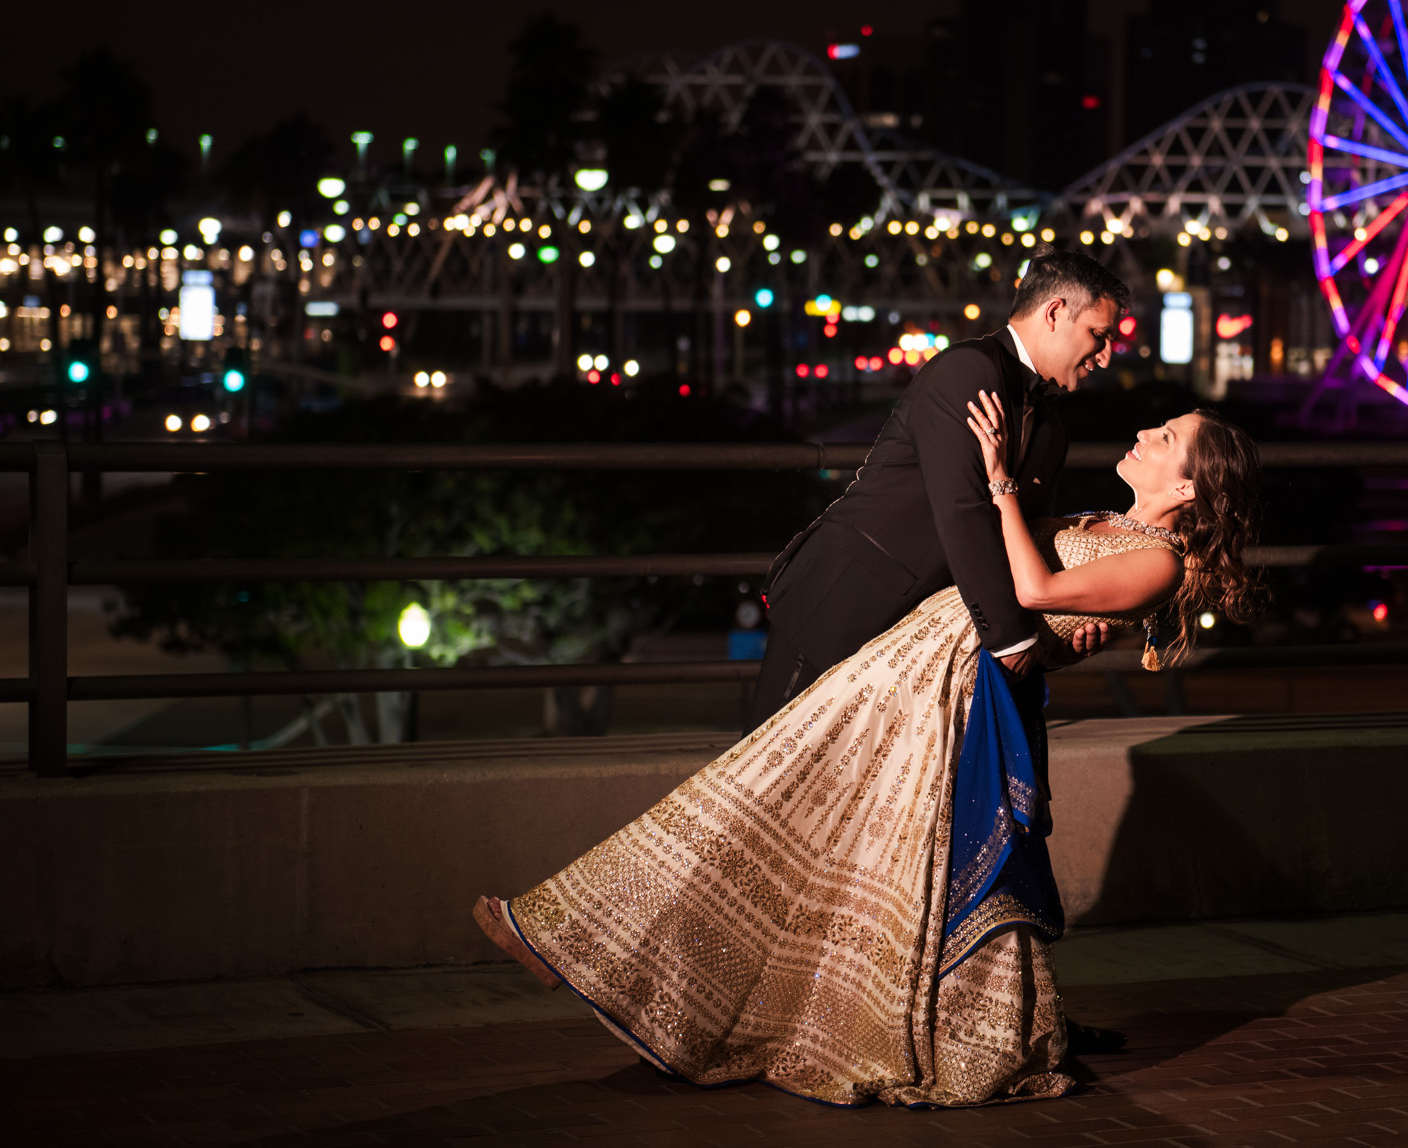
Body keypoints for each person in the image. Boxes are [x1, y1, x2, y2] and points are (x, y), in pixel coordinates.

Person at [471, 406, 1262, 1107]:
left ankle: (589, 941)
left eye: (1166, 439)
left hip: (945, 688)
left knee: (792, 801)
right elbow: (1040, 585)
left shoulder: (1157, 561)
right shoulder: (1107, 524)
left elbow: (1031, 584)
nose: (1144, 435)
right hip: (919, 658)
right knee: (771, 789)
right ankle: (583, 936)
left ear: (1190, 490)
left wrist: (998, 483)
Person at [745, 249, 1130, 733]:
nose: (1107, 354)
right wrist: (1013, 641)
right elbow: (962, 510)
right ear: (1054, 312)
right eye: (1099, 334)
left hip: (915, 646)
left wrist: (1058, 632)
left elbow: (1026, 543)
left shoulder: (1052, 428)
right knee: (765, 781)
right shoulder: (967, 372)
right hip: (841, 607)